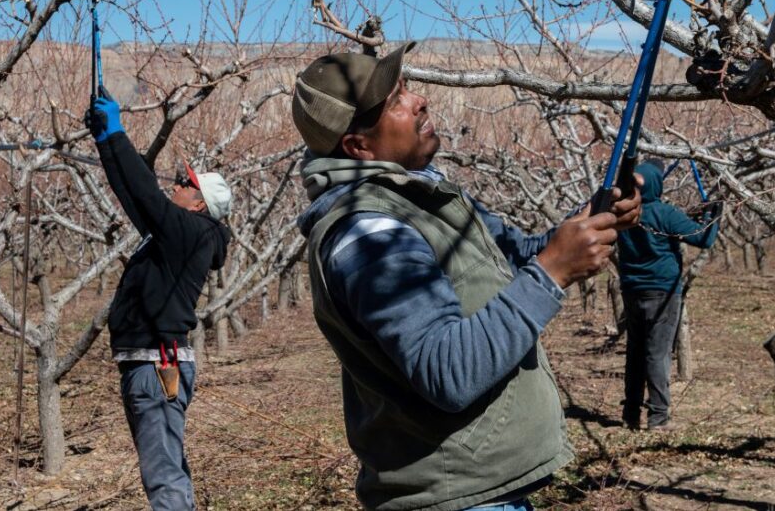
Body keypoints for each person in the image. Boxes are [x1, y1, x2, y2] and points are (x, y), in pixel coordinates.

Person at [291, 42, 642, 511]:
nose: (419, 101)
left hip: (482, 491)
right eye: (394, 102)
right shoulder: (370, 234)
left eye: (406, 89)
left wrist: (591, 224)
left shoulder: (420, 199)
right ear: (358, 146)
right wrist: (554, 269)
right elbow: (447, 371)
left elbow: (516, 256)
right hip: (456, 497)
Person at [85, 90, 232, 510]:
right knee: (168, 468)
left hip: (156, 367)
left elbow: (146, 193)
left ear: (200, 203)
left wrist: (117, 132)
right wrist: (104, 142)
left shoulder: (189, 232)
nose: (178, 185)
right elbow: (133, 194)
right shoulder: (176, 235)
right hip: (153, 365)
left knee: (163, 476)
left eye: (187, 184)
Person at [616, 158, 720, 432]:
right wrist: (714, 214)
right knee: (658, 354)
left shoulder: (623, 214)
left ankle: (630, 415)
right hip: (662, 292)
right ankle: (659, 417)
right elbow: (704, 239)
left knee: (636, 353)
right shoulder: (665, 213)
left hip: (632, 291)